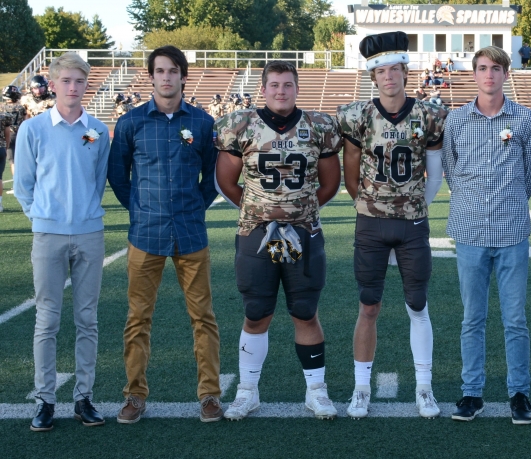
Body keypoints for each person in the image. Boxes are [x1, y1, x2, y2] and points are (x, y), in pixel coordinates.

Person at [215, 60, 343, 421]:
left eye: (287, 85)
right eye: (274, 85)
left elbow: (330, 184)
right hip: (257, 233)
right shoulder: (240, 125)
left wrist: (296, 214)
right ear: (264, 88)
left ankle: (316, 391)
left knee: (304, 311)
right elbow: (226, 181)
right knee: (256, 313)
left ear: (297, 88)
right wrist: (260, 211)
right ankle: (247, 393)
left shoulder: (319, 126)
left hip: (302, 233)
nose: (281, 91)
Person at [108, 45, 223, 424]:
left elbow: (213, 178)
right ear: (151, 76)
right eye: (159, 71)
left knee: (203, 318)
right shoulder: (131, 123)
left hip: (191, 234)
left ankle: (209, 395)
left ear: (183, 76)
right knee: (138, 317)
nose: (167, 77)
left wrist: (193, 208)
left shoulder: (204, 123)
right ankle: (134, 395)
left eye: (173, 71)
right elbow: (118, 175)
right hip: (145, 235)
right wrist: (140, 211)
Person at [337, 31, 447, 420]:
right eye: (381, 71)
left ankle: (424, 386)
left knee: (418, 304)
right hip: (371, 223)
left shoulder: (429, 114)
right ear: (373, 76)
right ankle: (361, 387)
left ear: (405, 71)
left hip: (412, 222)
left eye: (395, 69)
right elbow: (351, 174)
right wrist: (368, 205)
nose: (389, 77)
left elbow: (434, 175)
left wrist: (416, 207)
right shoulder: (358, 115)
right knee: (368, 306)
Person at [442, 46, 531, 425]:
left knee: (515, 319)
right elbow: (452, 171)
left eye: (496, 68)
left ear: (506, 73)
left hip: (512, 230)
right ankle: (472, 393)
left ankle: (520, 393)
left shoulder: (525, 118)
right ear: (474, 74)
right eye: (482, 68)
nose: (489, 75)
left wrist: (507, 203)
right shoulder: (457, 120)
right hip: (468, 231)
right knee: (472, 318)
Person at [14, 52, 110, 432]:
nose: (73, 87)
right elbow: (24, 186)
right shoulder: (33, 130)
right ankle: (45, 400)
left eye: (80, 81)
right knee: (47, 320)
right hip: (48, 234)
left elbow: (98, 179)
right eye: (66, 80)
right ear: (52, 85)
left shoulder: (97, 130)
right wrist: (44, 217)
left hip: (89, 233)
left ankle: (83, 398)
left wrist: (82, 213)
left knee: (87, 319)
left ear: (87, 85)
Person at [1, 85, 26, 194]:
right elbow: (26, 119)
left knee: (12, 162)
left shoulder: (2, 107)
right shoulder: (21, 107)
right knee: (21, 160)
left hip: (8, 135)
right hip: (20, 134)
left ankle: (16, 185)